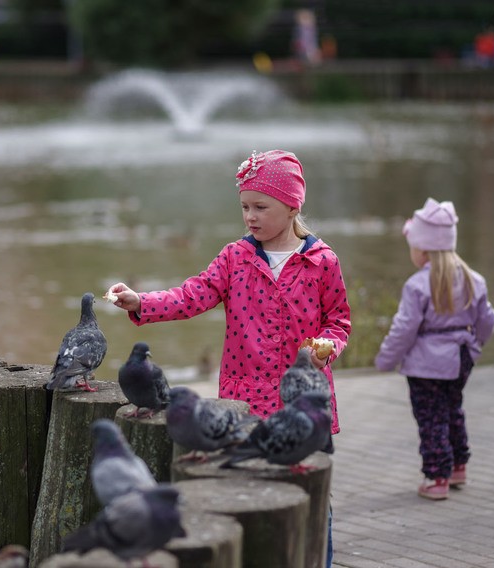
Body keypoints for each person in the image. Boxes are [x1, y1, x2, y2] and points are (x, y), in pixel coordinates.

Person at [108, 149, 351, 567]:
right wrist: (140, 302)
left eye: (261, 206)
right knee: (244, 494)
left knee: (311, 500)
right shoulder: (235, 258)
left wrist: (326, 347)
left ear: (292, 206)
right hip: (244, 405)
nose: (250, 216)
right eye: (244, 206)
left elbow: (339, 320)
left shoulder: (322, 262)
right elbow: (191, 295)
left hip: (305, 406)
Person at [374, 198, 494, 501]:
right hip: (461, 357)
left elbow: (404, 328)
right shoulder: (474, 280)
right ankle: (458, 465)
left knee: (431, 417)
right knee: (453, 408)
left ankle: (437, 476)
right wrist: (476, 346)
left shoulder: (417, 285)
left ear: (423, 249)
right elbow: (487, 320)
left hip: (426, 364)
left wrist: (385, 360)